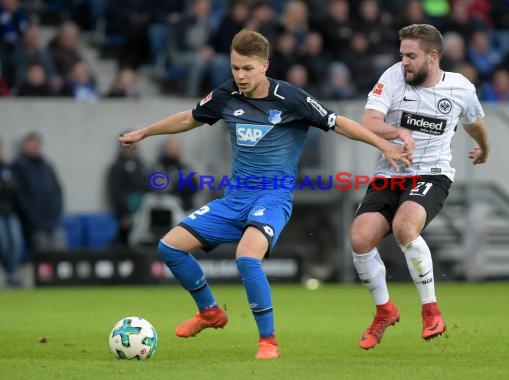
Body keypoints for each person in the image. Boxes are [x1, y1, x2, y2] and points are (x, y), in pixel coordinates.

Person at [119, 30, 411, 360]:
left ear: (264, 66)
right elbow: (189, 117)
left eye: (247, 69)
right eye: (235, 68)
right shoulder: (226, 94)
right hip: (233, 200)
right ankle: (210, 312)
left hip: (271, 199)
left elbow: (339, 122)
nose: (240, 76)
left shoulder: (290, 98)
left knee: (246, 257)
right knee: (169, 247)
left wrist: (384, 144)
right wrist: (145, 132)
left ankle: (268, 342)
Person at [349, 24, 490, 350]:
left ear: (433, 55)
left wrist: (485, 148)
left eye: (411, 56)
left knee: (404, 226)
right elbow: (368, 121)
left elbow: (475, 123)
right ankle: (385, 310)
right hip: (391, 171)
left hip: (432, 174)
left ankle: (431, 310)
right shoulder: (394, 76)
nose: (405, 61)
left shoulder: (459, 88)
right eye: (402, 55)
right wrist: (398, 133)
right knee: (359, 239)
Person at [12, 132, 66, 254]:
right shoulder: (19, 166)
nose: (34, 147)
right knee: (42, 256)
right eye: (31, 144)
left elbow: (57, 189)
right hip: (34, 222)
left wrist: (57, 209)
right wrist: (30, 214)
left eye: (37, 144)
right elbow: (18, 194)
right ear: (24, 146)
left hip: (52, 220)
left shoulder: (46, 166)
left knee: (60, 253)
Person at [0, 137, 24, 287]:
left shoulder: (7, 167)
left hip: (10, 211)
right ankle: (8, 273)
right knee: (3, 243)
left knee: (16, 242)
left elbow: (15, 188)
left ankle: (12, 273)